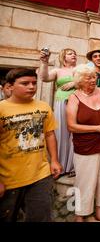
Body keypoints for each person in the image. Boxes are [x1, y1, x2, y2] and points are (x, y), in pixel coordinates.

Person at [0, 69, 62, 222]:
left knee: (41, 217)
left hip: (40, 175)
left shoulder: (44, 107)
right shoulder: (2, 109)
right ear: (10, 86)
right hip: (8, 179)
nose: (31, 87)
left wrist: (54, 160)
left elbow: (49, 134)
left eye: (34, 83)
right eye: (25, 83)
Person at [66, 64, 100, 222]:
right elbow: (71, 126)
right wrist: (98, 128)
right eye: (89, 78)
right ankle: (79, 215)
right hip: (86, 146)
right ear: (80, 81)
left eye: (94, 76)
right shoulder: (74, 98)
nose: (93, 80)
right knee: (84, 181)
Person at [38, 48, 77, 177]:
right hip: (61, 102)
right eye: (70, 54)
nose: (74, 55)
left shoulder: (79, 70)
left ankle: (73, 166)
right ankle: (59, 165)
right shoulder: (58, 71)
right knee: (61, 132)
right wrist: (44, 62)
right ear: (63, 57)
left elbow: (88, 81)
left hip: (77, 102)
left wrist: (74, 82)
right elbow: (44, 78)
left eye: (75, 54)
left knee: (75, 133)